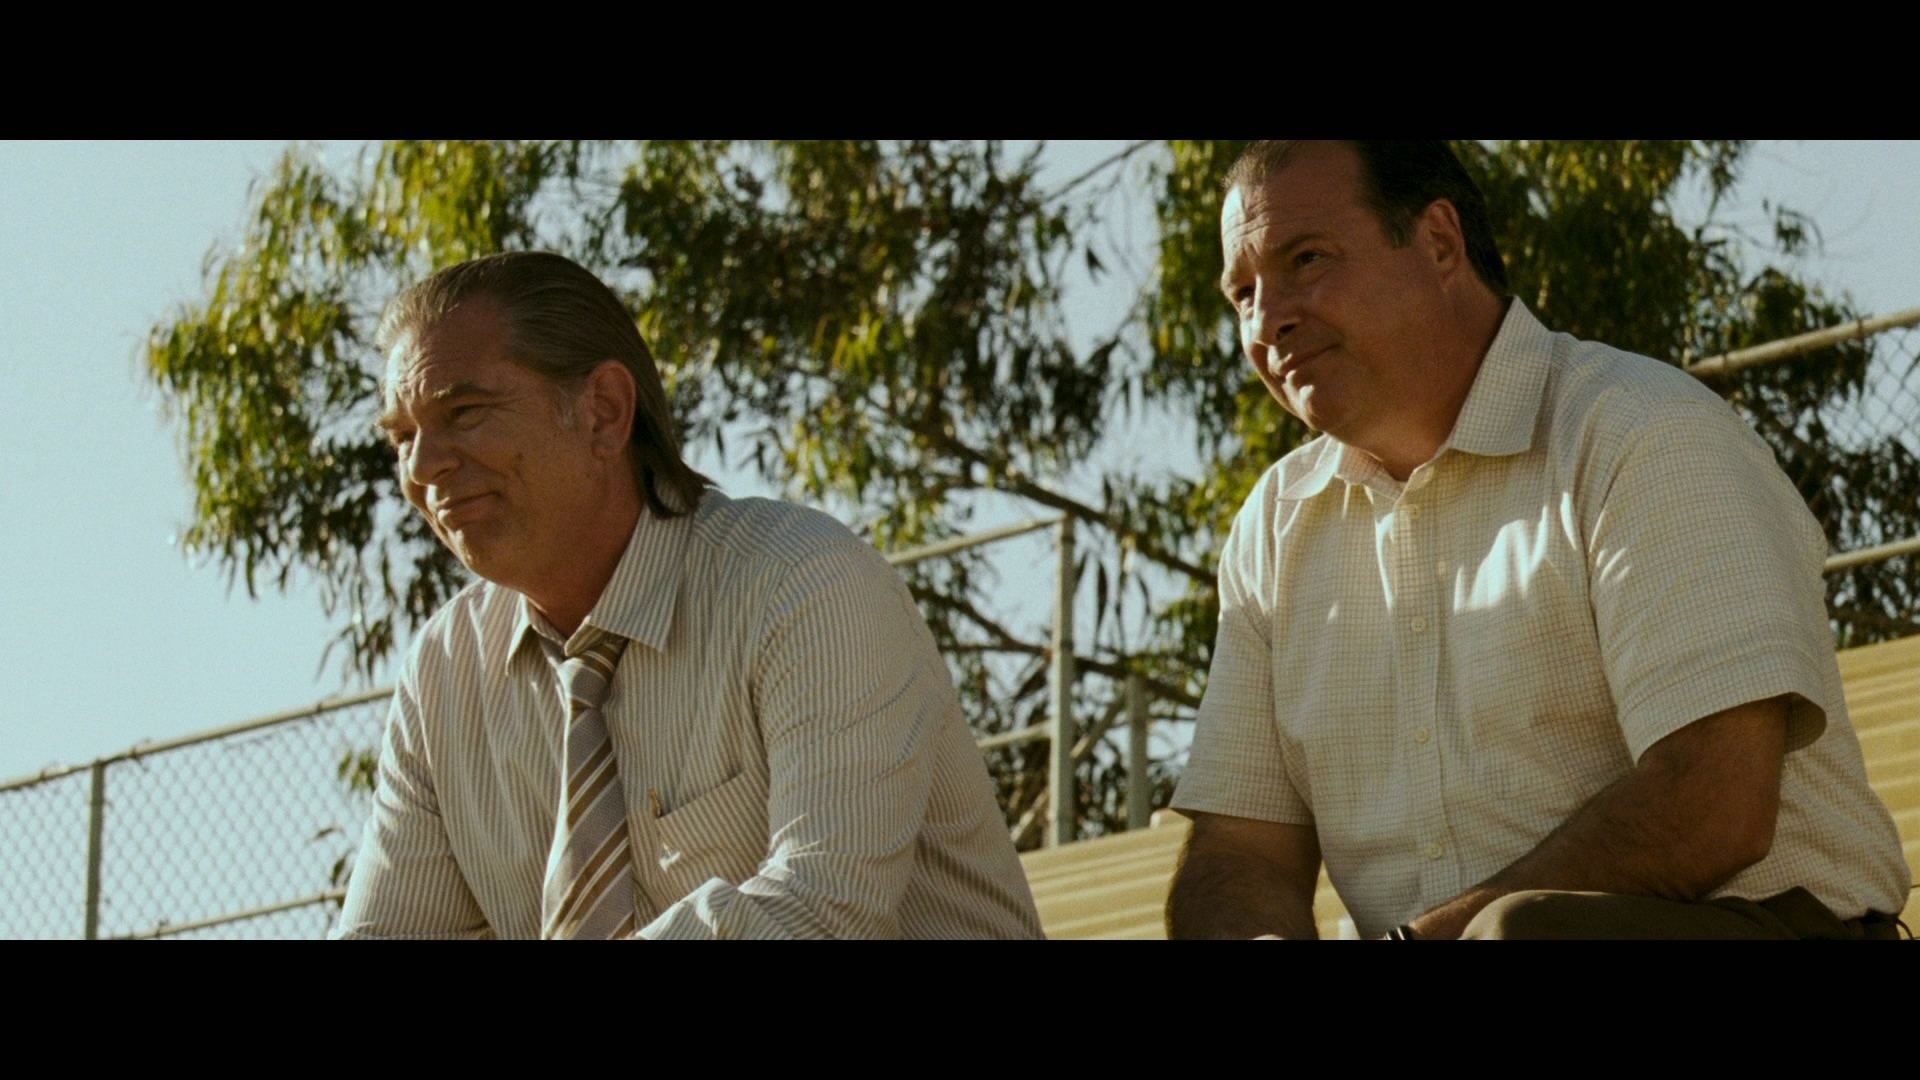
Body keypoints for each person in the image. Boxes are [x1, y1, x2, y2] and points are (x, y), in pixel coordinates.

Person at [1165, 140, 1911, 940]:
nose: (1267, 320)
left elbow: (1714, 801)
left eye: (1307, 259)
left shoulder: (1641, 430)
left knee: (1518, 933)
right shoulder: (1273, 529)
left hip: (1761, 929)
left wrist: (1425, 941)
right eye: (1242, 293)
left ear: (1439, 242)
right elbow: (1236, 855)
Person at [332, 251, 1042, 939]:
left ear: (604, 412)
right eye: (402, 438)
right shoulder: (444, 675)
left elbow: (823, 913)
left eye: (465, 412)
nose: (423, 467)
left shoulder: (803, 582)